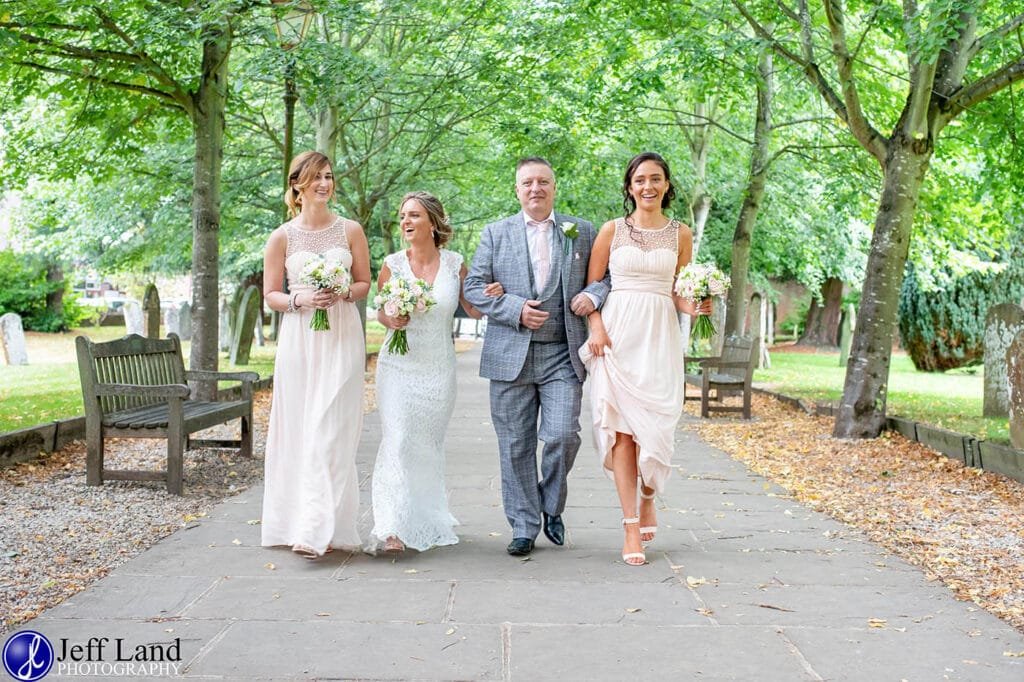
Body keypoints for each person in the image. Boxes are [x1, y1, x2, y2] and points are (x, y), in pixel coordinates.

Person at [464, 157, 610, 556]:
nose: (535, 189)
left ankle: (551, 504)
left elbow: (606, 277)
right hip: (510, 353)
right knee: (515, 444)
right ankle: (524, 525)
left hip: (562, 352)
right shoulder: (495, 234)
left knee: (563, 434)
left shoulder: (580, 231)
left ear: (554, 187)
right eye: (527, 182)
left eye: (543, 181)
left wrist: (592, 295)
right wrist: (513, 309)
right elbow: (474, 287)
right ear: (517, 189)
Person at [579, 152, 709, 566]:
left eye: (655, 179)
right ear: (629, 187)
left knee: (657, 426)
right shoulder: (611, 230)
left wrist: (696, 308)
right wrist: (596, 328)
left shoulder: (681, 234)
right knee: (620, 431)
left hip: (659, 337)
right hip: (616, 336)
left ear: (667, 185)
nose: (647, 186)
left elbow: (678, 289)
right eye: (639, 180)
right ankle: (630, 524)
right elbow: (593, 287)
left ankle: (650, 494)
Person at [371, 191, 500, 553]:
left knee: (425, 446)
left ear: (432, 222)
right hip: (397, 364)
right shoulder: (392, 264)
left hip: (438, 368)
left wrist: (492, 293)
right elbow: (381, 311)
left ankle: (423, 516)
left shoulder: (455, 264)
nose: (406, 222)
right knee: (397, 439)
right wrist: (392, 317)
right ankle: (391, 526)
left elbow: (474, 310)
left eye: (413, 215)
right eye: (402, 217)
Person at [260, 151, 372, 560]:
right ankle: (299, 522)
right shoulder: (282, 237)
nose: (324, 184)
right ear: (297, 185)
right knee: (302, 429)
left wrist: (343, 292)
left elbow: (364, 283)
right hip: (301, 339)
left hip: (342, 333)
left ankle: (316, 527)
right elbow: (271, 294)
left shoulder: (351, 230)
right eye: (315, 178)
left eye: (328, 176)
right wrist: (298, 298)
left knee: (332, 428)